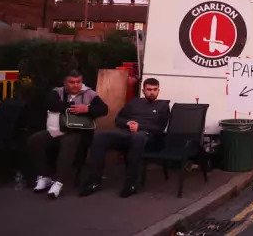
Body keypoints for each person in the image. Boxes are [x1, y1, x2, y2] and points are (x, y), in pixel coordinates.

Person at [80, 78, 170, 198]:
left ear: (159, 90)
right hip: (126, 134)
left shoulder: (163, 106)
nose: (152, 92)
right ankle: (94, 182)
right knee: (99, 136)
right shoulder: (134, 102)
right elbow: (119, 119)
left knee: (139, 137)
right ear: (143, 90)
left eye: (155, 90)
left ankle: (131, 184)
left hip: (149, 138)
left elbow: (160, 128)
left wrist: (140, 126)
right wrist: (128, 123)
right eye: (149, 90)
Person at [27, 70, 108, 199]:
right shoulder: (57, 92)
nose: (76, 85)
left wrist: (88, 109)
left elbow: (104, 109)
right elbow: (51, 105)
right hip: (55, 130)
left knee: (69, 143)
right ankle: (44, 176)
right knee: (35, 140)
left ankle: (59, 182)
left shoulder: (89, 94)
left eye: (78, 82)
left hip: (78, 132)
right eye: (72, 82)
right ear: (65, 83)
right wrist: (72, 106)